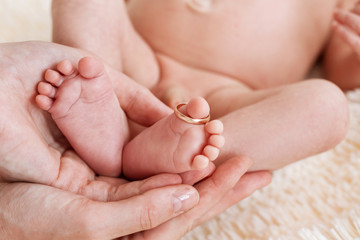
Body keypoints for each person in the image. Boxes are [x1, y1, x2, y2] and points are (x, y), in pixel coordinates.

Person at [0, 41, 272, 239]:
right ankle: (111, 127)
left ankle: (165, 152)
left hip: (229, 90)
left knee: (317, 103)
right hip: (141, 57)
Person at [50, 0, 350, 176]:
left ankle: (185, 152)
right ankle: (102, 108)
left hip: (225, 97)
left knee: (329, 106)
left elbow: (343, 71)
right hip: (135, 63)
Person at [35, 56, 225, 178]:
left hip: (224, 86)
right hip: (145, 53)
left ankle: (164, 152)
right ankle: (95, 96)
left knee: (225, 133)